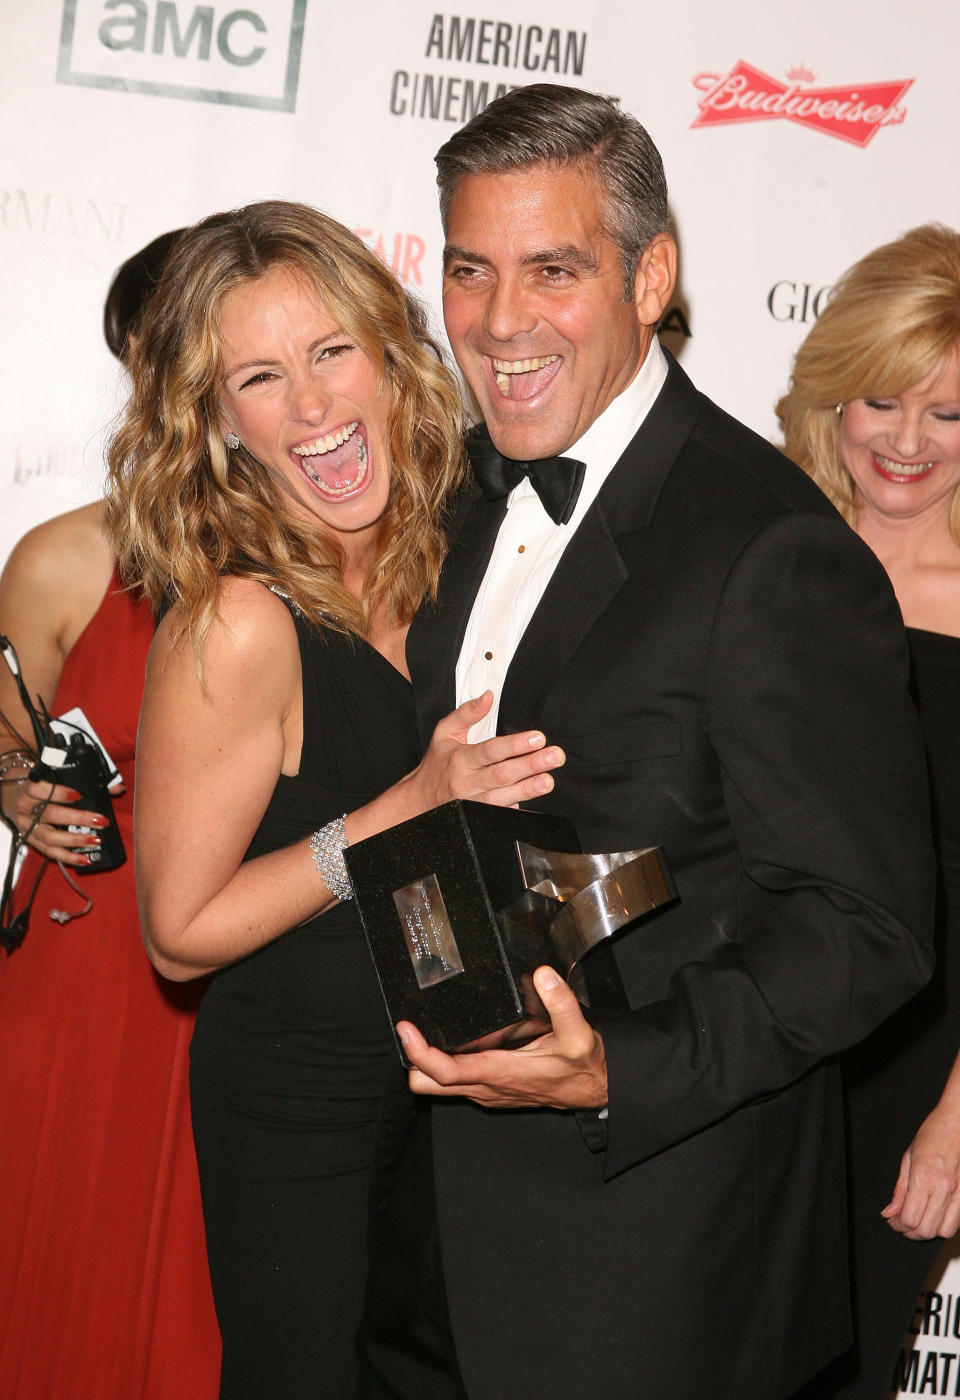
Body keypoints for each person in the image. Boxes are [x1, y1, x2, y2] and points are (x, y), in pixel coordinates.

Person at [361, 84, 937, 1400]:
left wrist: (616, 1068)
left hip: (651, 1268)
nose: (500, 322)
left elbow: (866, 928)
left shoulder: (769, 545)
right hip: (419, 1247)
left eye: (552, 270)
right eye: (469, 269)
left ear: (650, 273)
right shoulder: (442, 493)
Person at [103, 199, 562, 1399]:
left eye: (329, 351)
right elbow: (178, 929)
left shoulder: (447, 547)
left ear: (388, 352)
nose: (310, 407)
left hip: (451, 1082)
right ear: (217, 421)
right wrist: (405, 801)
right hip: (300, 1101)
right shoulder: (240, 618)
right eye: (260, 375)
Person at [0, 230, 222, 1398]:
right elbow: (1, 736)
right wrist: (13, 789)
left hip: (239, 960)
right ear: (138, 366)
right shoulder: (59, 558)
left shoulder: (325, 554)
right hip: (86, 965)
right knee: (63, 1254)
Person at [777, 224, 960, 1400]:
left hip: (911, 1064)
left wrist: (959, 1113)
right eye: (879, 398)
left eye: (948, 415)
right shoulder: (764, 557)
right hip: (737, 1039)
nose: (903, 442)